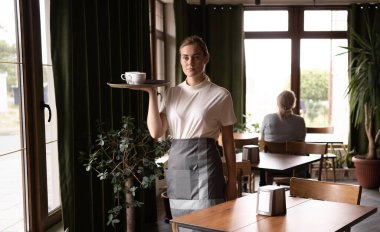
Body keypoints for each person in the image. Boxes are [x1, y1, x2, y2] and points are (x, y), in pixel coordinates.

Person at [135, 35, 237, 223]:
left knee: (210, 222)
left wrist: (232, 181)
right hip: (178, 166)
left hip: (207, 166)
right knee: (183, 222)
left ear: (206, 58)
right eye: (185, 57)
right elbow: (156, 132)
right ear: (180, 59)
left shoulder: (221, 95)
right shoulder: (172, 93)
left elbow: (229, 143)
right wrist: (151, 93)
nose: (190, 62)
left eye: (196, 57)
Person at [259, 90, 306, 185]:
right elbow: (301, 145)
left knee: (263, 155)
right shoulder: (300, 121)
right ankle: (301, 187)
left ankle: (263, 185)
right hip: (293, 167)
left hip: (269, 166)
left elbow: (262, 142)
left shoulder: (267, 118)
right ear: (294, 104)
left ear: (278, 103)